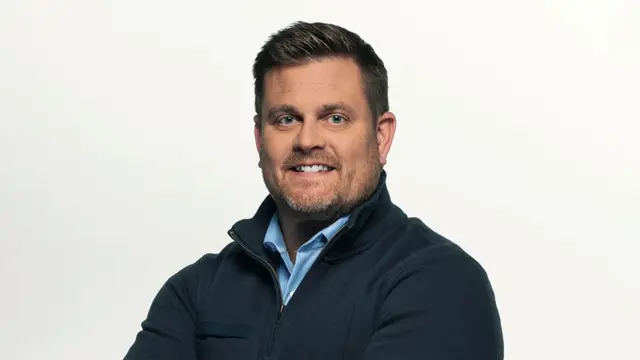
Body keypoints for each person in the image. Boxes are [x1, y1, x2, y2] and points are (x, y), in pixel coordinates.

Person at [124, 21, 503, 360]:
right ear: (260, 138)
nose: (307, 139)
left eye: (335, 118)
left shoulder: (441, 283)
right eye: (286, 119)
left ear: (381, 136)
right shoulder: (196, 291)